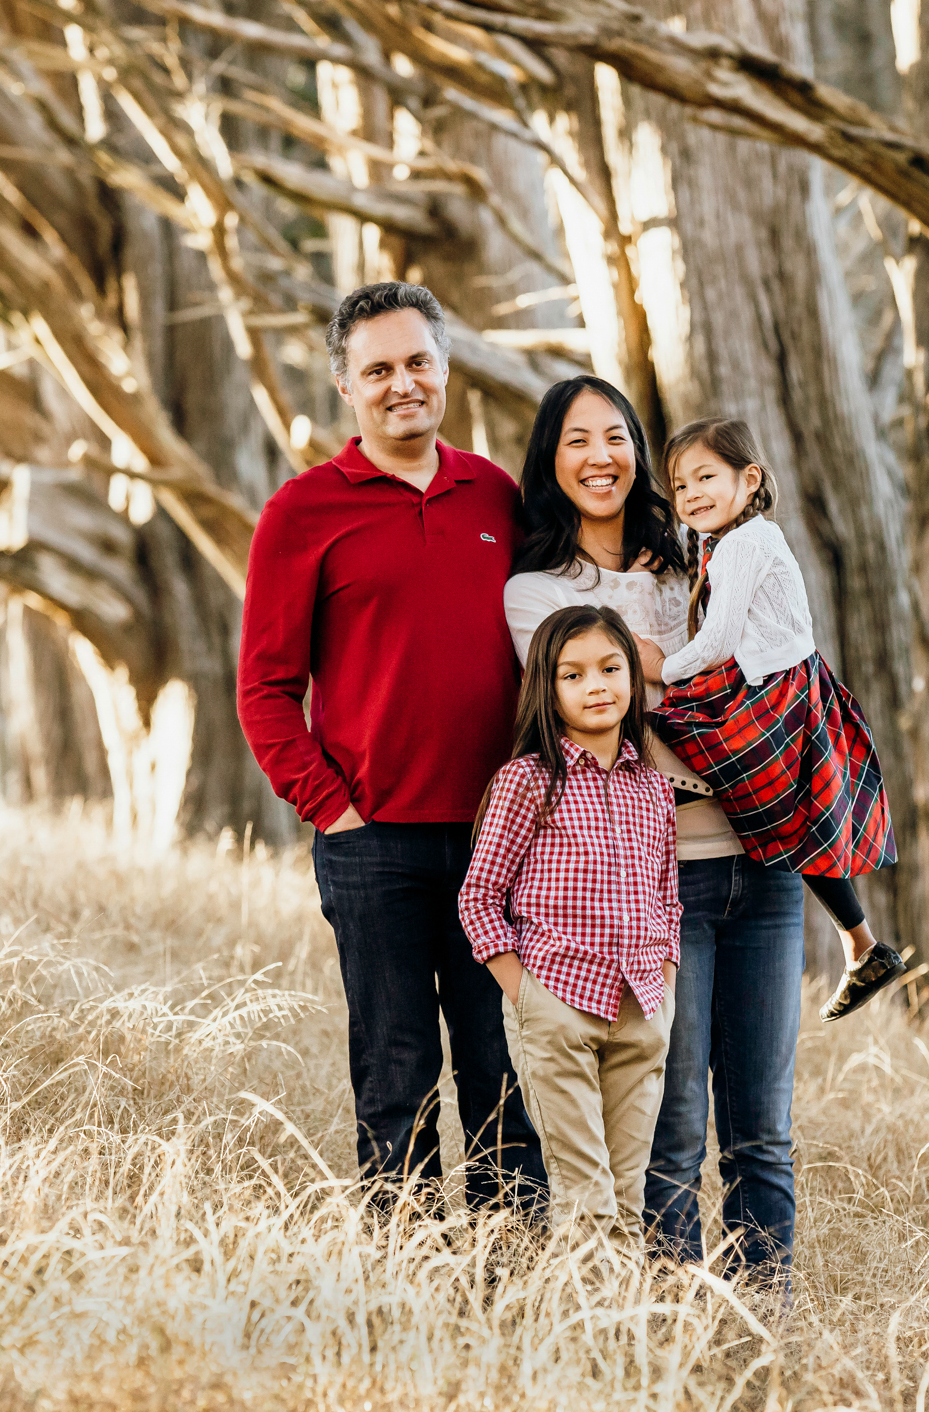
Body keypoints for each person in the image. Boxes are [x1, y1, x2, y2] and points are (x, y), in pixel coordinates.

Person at [237, 281, 545, 1218]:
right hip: (374, 846)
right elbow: (265, 689)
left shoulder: (495, 494)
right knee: (398, 1069)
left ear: (444, 369)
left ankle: (516, 1282)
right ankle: (405, 1283)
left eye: (418, 363)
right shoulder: (303, 513)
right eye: (379, 370)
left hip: (503, 842)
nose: (402, 384)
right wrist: (333, 808)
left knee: (501, 1073)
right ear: (345, 386)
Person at [500, 375, 802, 1287]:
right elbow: (618, 710)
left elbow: (773, 667)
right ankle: (669, 1331)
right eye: (578, 441)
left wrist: (696, 668)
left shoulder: (702, 561)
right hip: (663, 878)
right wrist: (696, 667)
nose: (602, 457)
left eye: (618, 437)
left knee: (765, 1130)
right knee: (673, 1129)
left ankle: (760, 1335)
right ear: (551, 464)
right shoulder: (533, 592)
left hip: (765, 856)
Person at [647, 417, 907, 1023]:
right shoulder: (726, 542)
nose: (692, 496)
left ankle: (854, 941)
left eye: (706, 477)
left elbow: (717, 638)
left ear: (750, 478)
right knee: (798, 817)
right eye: (681, 487)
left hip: (773, 689)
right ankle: (861, 944)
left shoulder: (746, 543)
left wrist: (663, 667)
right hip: (781, 681)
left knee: (684, 735)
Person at [460, 605, 680, 1246]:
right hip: (558, 1005)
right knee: (586, 1201)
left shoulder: (654, 789)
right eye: (573, 675)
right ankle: (576, 1343)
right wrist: (531, 999)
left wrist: (664, 983)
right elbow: (479, 899)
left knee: (629, 1201)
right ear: (548, 690)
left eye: (611, 669)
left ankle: (621, 1342)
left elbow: (667, 898)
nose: (597, 686)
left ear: (632, 679)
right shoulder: (528, 781)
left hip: (641, 1008)